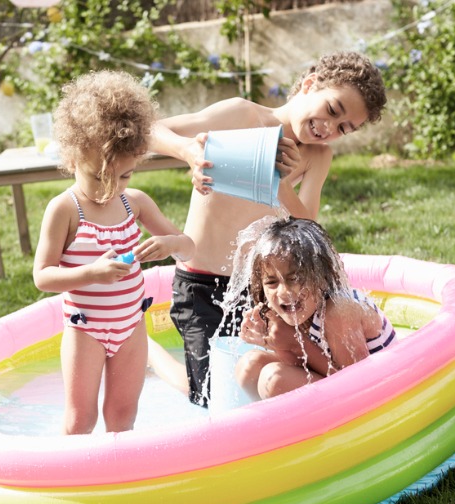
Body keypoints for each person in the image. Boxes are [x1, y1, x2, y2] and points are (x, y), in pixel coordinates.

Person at [147, 51, 387, 405]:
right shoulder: (242, 116)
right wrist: (187, 151)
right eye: (333, 111)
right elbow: (148, 128)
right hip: (200, 286)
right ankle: (149, 353)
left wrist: (280, 184)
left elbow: (310, 233)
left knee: (262, 385)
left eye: (343, 129)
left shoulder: (317, 157)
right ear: (309, 85)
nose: (329, 129)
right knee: (213, 398)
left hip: (265, 289)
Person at [33, 71, 195, 435]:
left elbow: (188, 246)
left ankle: (118, 484)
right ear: (72, 159)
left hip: (131, 327)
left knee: (123, 416)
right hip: (86, 329)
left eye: (123, 176)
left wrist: (169, 245)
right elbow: (42, 276)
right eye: (97, 177)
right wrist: (91, 273)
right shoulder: (65, 210)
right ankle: (72, 484)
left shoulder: (135, 203)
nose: (110, 188)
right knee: (80, 419)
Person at [234, 215, 396, 400]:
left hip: (382, 392)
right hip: (339, 385)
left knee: (275, 380)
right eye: (271, 282)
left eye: (295, 279)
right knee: (249, 366)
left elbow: (357, 387)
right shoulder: (289, 310)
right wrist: (274, 342)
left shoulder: (339, 312)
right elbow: (299, 366)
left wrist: (295, 342)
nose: (284, 292)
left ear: (322, 277)